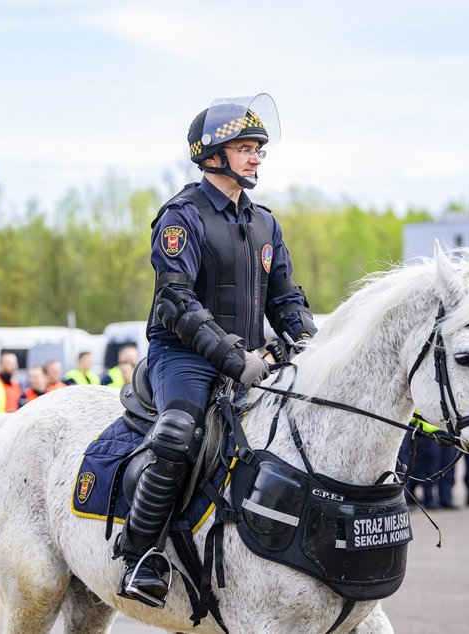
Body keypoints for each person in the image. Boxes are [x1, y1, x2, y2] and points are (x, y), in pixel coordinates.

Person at [115, 94, 318, 607]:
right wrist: (233, 358)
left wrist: (309, 344)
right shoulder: (181, 216)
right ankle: (140, 556)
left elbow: (286, 298)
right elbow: (176, 303)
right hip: (183, 355)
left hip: (248, 357)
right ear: (211, 155)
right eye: (245, 148)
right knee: (179, 432)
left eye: (258, 150)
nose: (255, 158)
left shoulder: (266, 222)